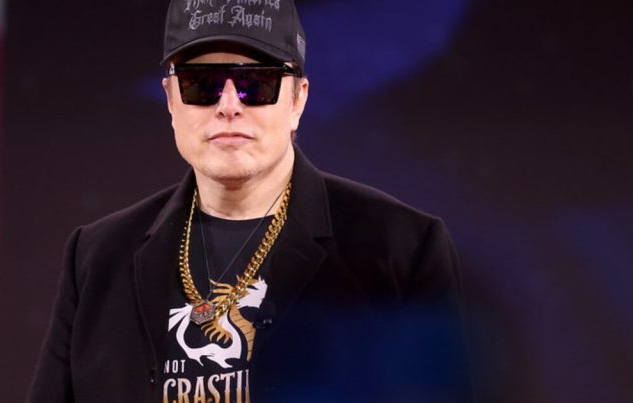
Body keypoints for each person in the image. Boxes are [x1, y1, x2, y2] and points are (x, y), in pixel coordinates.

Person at [28, 1, 470, 402]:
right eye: (201, 84)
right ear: (170, 100)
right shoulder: (97, 258)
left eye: (255, 84)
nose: (228, 105)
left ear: (298, 99)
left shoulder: (400, 251)